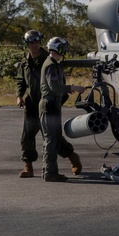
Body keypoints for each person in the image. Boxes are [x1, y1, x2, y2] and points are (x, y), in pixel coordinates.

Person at [39, 36, 86, 182]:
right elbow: (54, 87)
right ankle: (50, 172)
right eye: (63, 48)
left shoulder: (53, 64)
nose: (64, 51)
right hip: (49, 106)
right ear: (57, 48)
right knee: (51, 140)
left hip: (52, 105)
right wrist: (72, 87)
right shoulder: (51, 65)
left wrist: (66, 90)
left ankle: (53, 168)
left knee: (55, 138)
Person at [15, 30, 47, 178]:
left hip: (47, 104)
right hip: (32, 104)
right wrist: (19, 96)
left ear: (40, 42)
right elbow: (21, 81)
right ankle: (28, 166)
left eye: (36, 42)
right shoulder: (25, 62)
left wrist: (56, 103)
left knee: (52, 137)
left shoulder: (48, 60)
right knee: (27, 136)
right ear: (27, 44)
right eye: (31, 42)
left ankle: (72, 156)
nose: (34, 45)